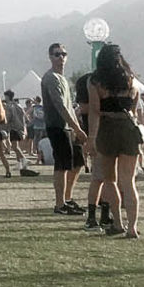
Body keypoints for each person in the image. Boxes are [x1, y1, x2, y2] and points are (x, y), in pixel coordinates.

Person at [84, 43, 144, 239]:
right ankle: (132, 227)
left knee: (110, 180)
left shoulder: (95, 81)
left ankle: (117, 222)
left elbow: (94, 111)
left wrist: (92, 138)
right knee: (129, 181)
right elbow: (134, 109)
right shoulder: (130, 80)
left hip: (107, 128)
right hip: (127, 128)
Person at [41, 41, 86, 216]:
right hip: (57, 126)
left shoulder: (63, 79)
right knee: (62, 165)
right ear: (50, 57)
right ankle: (60, 204)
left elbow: (70, 106)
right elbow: (61, 107)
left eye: (63, 54)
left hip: (68, 127)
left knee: (78, 162)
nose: (61, 57)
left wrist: (76, 128)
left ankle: (67, 198)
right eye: (57, 54)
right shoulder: (51, 78)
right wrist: (77, 127)